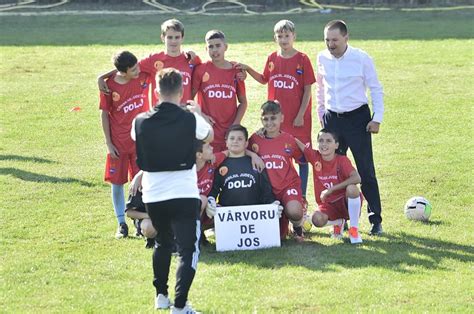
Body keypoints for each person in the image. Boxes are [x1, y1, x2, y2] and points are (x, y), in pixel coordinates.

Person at [132, 68, 213, 313]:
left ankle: (161, 295)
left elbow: (140, 141)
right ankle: (179, 306)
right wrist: (197, 113)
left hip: (154, 194)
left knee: (162, 243)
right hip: (183, 191)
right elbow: (208, 136)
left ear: (156, 92)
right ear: (181, 92)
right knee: (188, 249)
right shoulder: (190, 118)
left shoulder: (140, 120)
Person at [316, 20, 384, 235]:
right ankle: (341, 220)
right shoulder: (321, 58)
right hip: (332, 120)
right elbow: (320, 88)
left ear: (346, 38)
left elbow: (375, 89)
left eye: (335, 40)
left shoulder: (361, 58)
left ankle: (376, 220)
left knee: (365, 170)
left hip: (357, 119)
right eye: (327, 40)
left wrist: (377, 118)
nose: (330, 44)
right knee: (335, 171)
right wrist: (321, 115)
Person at [236, 19, 316, 204]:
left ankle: (301, 197)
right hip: (275, 120)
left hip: (297, 120)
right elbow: (264, 79)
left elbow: (307, 90)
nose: (284, 39)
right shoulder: (272, 58)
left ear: (294, 36)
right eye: (280, 36)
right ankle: (275, 192)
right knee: (277, 155)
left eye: (287, 35)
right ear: (275, 38)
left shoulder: (302, 59)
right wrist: (248, 69)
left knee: (302, 158)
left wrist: (300, 115)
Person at [99, 50, 149, 239]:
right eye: (133, 69)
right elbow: (104, 114)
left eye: (137, 66)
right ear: (123, 71)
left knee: (141, 182)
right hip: (118, 144)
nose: (138, 70)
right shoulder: (109, 86)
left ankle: (139, 222)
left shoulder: (143, 74)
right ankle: (121, 223)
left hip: (140, 143)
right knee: (117, 183)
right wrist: (108, 143)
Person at [98, 19, 201, 107]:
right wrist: (102, 77)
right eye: (169, 37)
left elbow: (199, 81)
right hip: (161, 115)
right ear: (162, 38)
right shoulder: (153, 60)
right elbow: (128, 67)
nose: (173, 41)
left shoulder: (192, 59)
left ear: (182, 38)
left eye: (177, 37)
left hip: (185, 115)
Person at [248, 101, 306, 242]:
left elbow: (303, 162)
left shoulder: (289, 140)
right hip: (266, 190)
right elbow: (239, 151)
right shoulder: (255, 139)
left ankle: (298, 228)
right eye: (265, 119)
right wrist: (253, 155)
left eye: (273, 118)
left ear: (282, 118)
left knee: (294, 211)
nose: (269, 123)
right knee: (277, 237)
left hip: (287, 186)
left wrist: (302, 193)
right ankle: (284, 222)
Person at [295, 129, 363, 244]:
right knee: (316, 220)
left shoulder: (342, 160)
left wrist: (331, 189)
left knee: (352, 189)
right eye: (321, 141)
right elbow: (296, 142)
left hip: (344, 202)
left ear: (336, 145)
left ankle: (354, 230)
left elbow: (357, 178)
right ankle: (338, 223)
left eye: (328, 141)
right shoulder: (315, 157)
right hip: (328, 205)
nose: (324, 144)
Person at [207, 125, 282, 217]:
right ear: (226, 142)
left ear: (246, 143)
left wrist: (272, 204)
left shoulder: (256, 162)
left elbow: (265, 190)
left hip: (254, 214)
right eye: (232, 138)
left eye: (240, 139)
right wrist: (210, 201)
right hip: (228, 216)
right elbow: (214, 189)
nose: (235, 141)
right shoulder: (220, 164)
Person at [191, 30, 248, 153]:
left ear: (225, 47)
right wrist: (202, 115)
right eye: (211, 46)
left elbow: (243, 102)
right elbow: (189, 100)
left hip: (229, 135)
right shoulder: (201, 70)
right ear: (206, 49)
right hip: (207, 133)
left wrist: (235, 125)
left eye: (218, 46)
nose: (215, 50)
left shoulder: (236, 71)